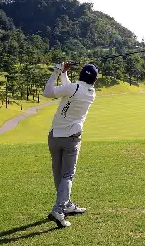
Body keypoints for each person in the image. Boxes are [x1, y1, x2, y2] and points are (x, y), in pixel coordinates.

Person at [42, 62, 98, 228]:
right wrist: (62, 74)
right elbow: (70, 90)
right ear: (95, 80)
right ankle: (58, 209)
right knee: (67, 175)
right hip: (72, 138)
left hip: (54, 137)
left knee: (59, 174)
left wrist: (57, 72)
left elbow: (48, 92)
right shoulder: (91, 93)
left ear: (80, 75)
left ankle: (65, 205)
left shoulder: (72, 88)